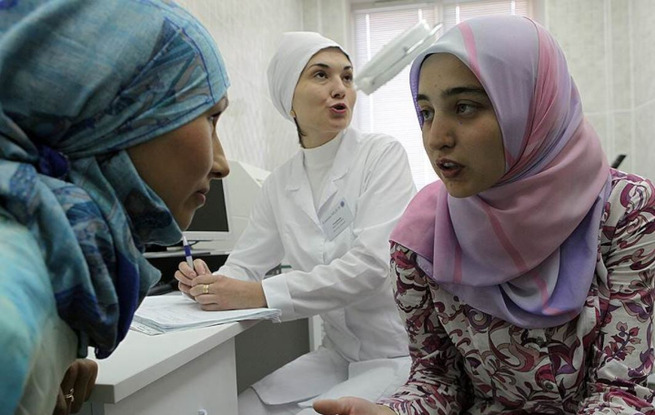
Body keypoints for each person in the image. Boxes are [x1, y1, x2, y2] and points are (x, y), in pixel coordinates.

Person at [312, 15, 655, 415]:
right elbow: (438, 380)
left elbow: (623, 390)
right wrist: (392, 412)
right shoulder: (421, 238)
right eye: (426, 112)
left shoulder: (626, 211)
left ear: (532, 106)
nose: (436, 138)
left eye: (465, 107)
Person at [0, 0, 230, 413]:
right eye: (210, 118)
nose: (222, 164)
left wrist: (53, 359)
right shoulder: (11, 315)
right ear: (118, 115)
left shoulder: (49, 264)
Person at [175, 32, 417, 415]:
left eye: (347, 76)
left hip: (397, 355)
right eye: (321, 75)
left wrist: (259, 294)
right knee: (238, 407)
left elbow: (372, 266)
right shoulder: (279, 183)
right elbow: (245, 265)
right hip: (337, 355)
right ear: (289, 100)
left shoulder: (381, 155)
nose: (340, 88)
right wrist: (207, 283)